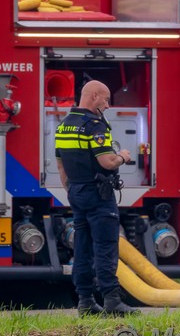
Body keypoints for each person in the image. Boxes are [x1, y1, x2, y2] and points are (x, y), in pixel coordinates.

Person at [55, 80, 138, 317]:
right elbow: (107, 161)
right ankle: (112, 300)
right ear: (93, 96)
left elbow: (61, 166)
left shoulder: (63, 126)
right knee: (105, 246)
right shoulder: (95, 126)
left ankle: (85, 301)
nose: (108, 106)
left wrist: (71, 191)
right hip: (98, 194)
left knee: (82, 247)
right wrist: (122, 156)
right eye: (106, 99)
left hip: (77, 192)